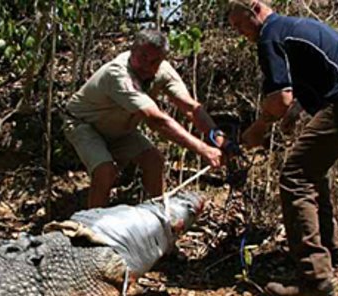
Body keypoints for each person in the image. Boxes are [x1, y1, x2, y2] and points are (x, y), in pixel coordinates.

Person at [227, 0, 338, 296]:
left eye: (240, 25)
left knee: (294, 177)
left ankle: (314, 280)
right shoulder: (294, 28)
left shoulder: (270, 35)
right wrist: (291, 115)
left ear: (256, 9)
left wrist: (259, 128)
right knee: (313, 169)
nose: (240, 33)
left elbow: (280, 97)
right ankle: (332, 250)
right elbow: (304, 84)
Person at [64, 29, 233, 208]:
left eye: (154, 61)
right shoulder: (118, 74)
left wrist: (220, 140)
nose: (146, 66)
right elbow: (156, 120)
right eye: (142, 57)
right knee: (105, 171)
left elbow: (190, 107)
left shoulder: (164, 71)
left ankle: (158, 216)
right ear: (132, 50)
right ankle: (93, 228)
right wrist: (203, 150)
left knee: (155, 161)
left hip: (120, 127)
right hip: (83, 123)